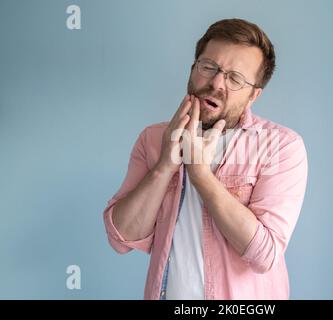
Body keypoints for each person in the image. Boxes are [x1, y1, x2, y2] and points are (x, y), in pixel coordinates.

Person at [103, 18, 308, 300]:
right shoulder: (153, 139)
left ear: (253, 96)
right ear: (193, 69)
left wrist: (200, 174)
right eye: (209, 67)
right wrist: (164, 166)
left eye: (235, 78)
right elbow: (121, 237)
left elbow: (264, 255)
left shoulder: (280, 147)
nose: (216, 83)